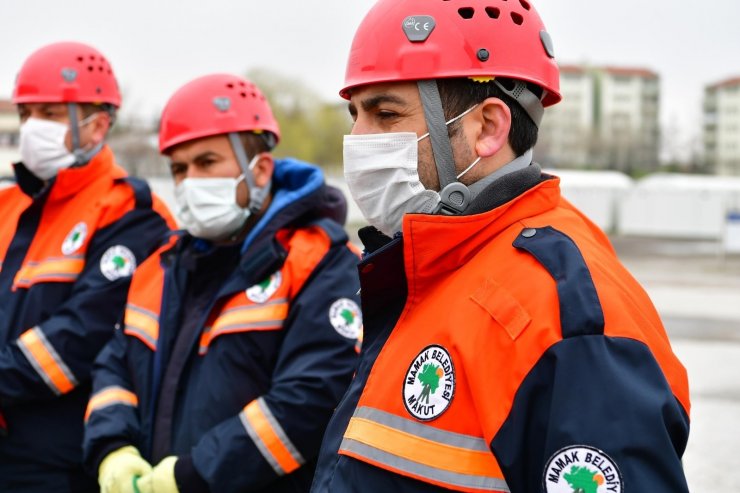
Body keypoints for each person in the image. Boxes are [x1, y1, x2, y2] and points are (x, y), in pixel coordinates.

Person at [311, 1, 691, 492]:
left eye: (385, 113)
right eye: (355, 114)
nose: (356, 139)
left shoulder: (567, 313)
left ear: (488, 128)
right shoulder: (434, 263)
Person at [83, 73, 362, 493]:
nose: (190, 181)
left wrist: (193, 476)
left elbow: (311, 399)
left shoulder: (320, 264)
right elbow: (115, 363)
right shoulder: (160, 265)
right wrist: (113, 448)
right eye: (179, 168)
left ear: (261, 170)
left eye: (207, 163)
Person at [0, 41, 174, 492]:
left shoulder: (131, 211)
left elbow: (83, 333)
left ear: (96, 127)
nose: (33, 126)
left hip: (58, 461)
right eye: (28, 113)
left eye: (51, 114)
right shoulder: (8, 204)